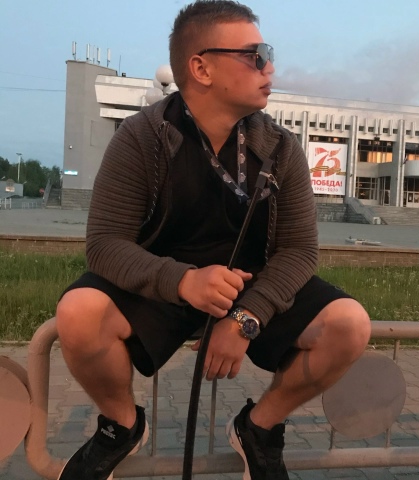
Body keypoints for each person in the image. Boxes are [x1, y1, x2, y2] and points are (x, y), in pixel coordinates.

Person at [54, 1, 371, 479]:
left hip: (251, 288)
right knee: (78, 312)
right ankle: (121, 425)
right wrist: (184, 281)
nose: (269, 67)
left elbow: (300, 251)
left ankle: (258, 428)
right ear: (201, 68)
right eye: (256, 55)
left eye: (268, 54)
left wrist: (245, 318)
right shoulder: (142, 138)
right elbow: (104, 243)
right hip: (163, 285)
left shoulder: (280, 148)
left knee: (349, 324)